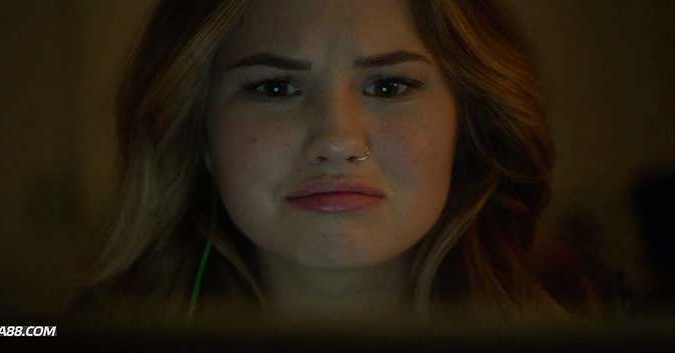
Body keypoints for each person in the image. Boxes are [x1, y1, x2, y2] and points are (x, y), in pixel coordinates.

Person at [77, 0, 570, 324]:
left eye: (388, 87)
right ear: (198, 129)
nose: (336, 141)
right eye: (275, 88)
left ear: (468, 123)